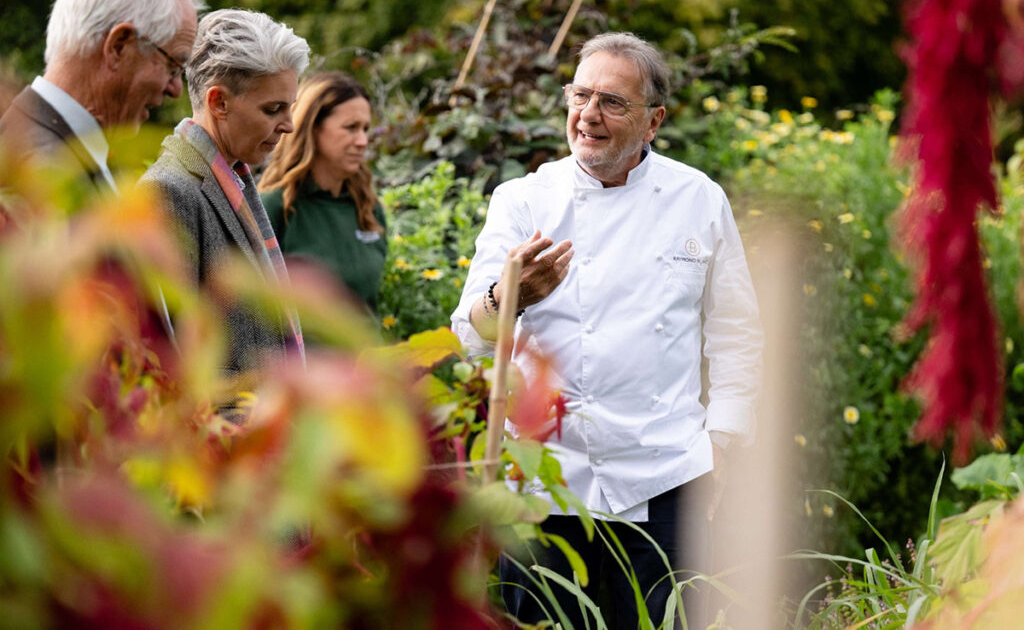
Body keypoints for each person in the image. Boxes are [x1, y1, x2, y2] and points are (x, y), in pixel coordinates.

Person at [451, 32, 763, 627]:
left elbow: (736, 335)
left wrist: (722, 441)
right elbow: (470, 332)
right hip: (544, 479)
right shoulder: (523, 200)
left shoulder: (698, 199)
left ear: (654, 121)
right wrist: (510, 298)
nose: (588, 115)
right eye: (579, 96)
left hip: (665, 474)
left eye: (612, 103)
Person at [138, 9, 309, 389]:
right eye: (273, 109)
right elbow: (170, 361)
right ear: (219, 102)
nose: (289, 125)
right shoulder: (168, 191)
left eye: (290, 107)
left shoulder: (234, 179)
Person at [0, 0, 204, 194]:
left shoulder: (65, 150)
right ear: (118, 47)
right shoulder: (38, 172)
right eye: (173, 67)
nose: (176, 89)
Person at [258, 72, 388, 314]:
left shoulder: (368, 210)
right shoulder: (274, 208)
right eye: (351, 128)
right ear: (312, 128)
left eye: (365, 129)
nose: (362, 141)